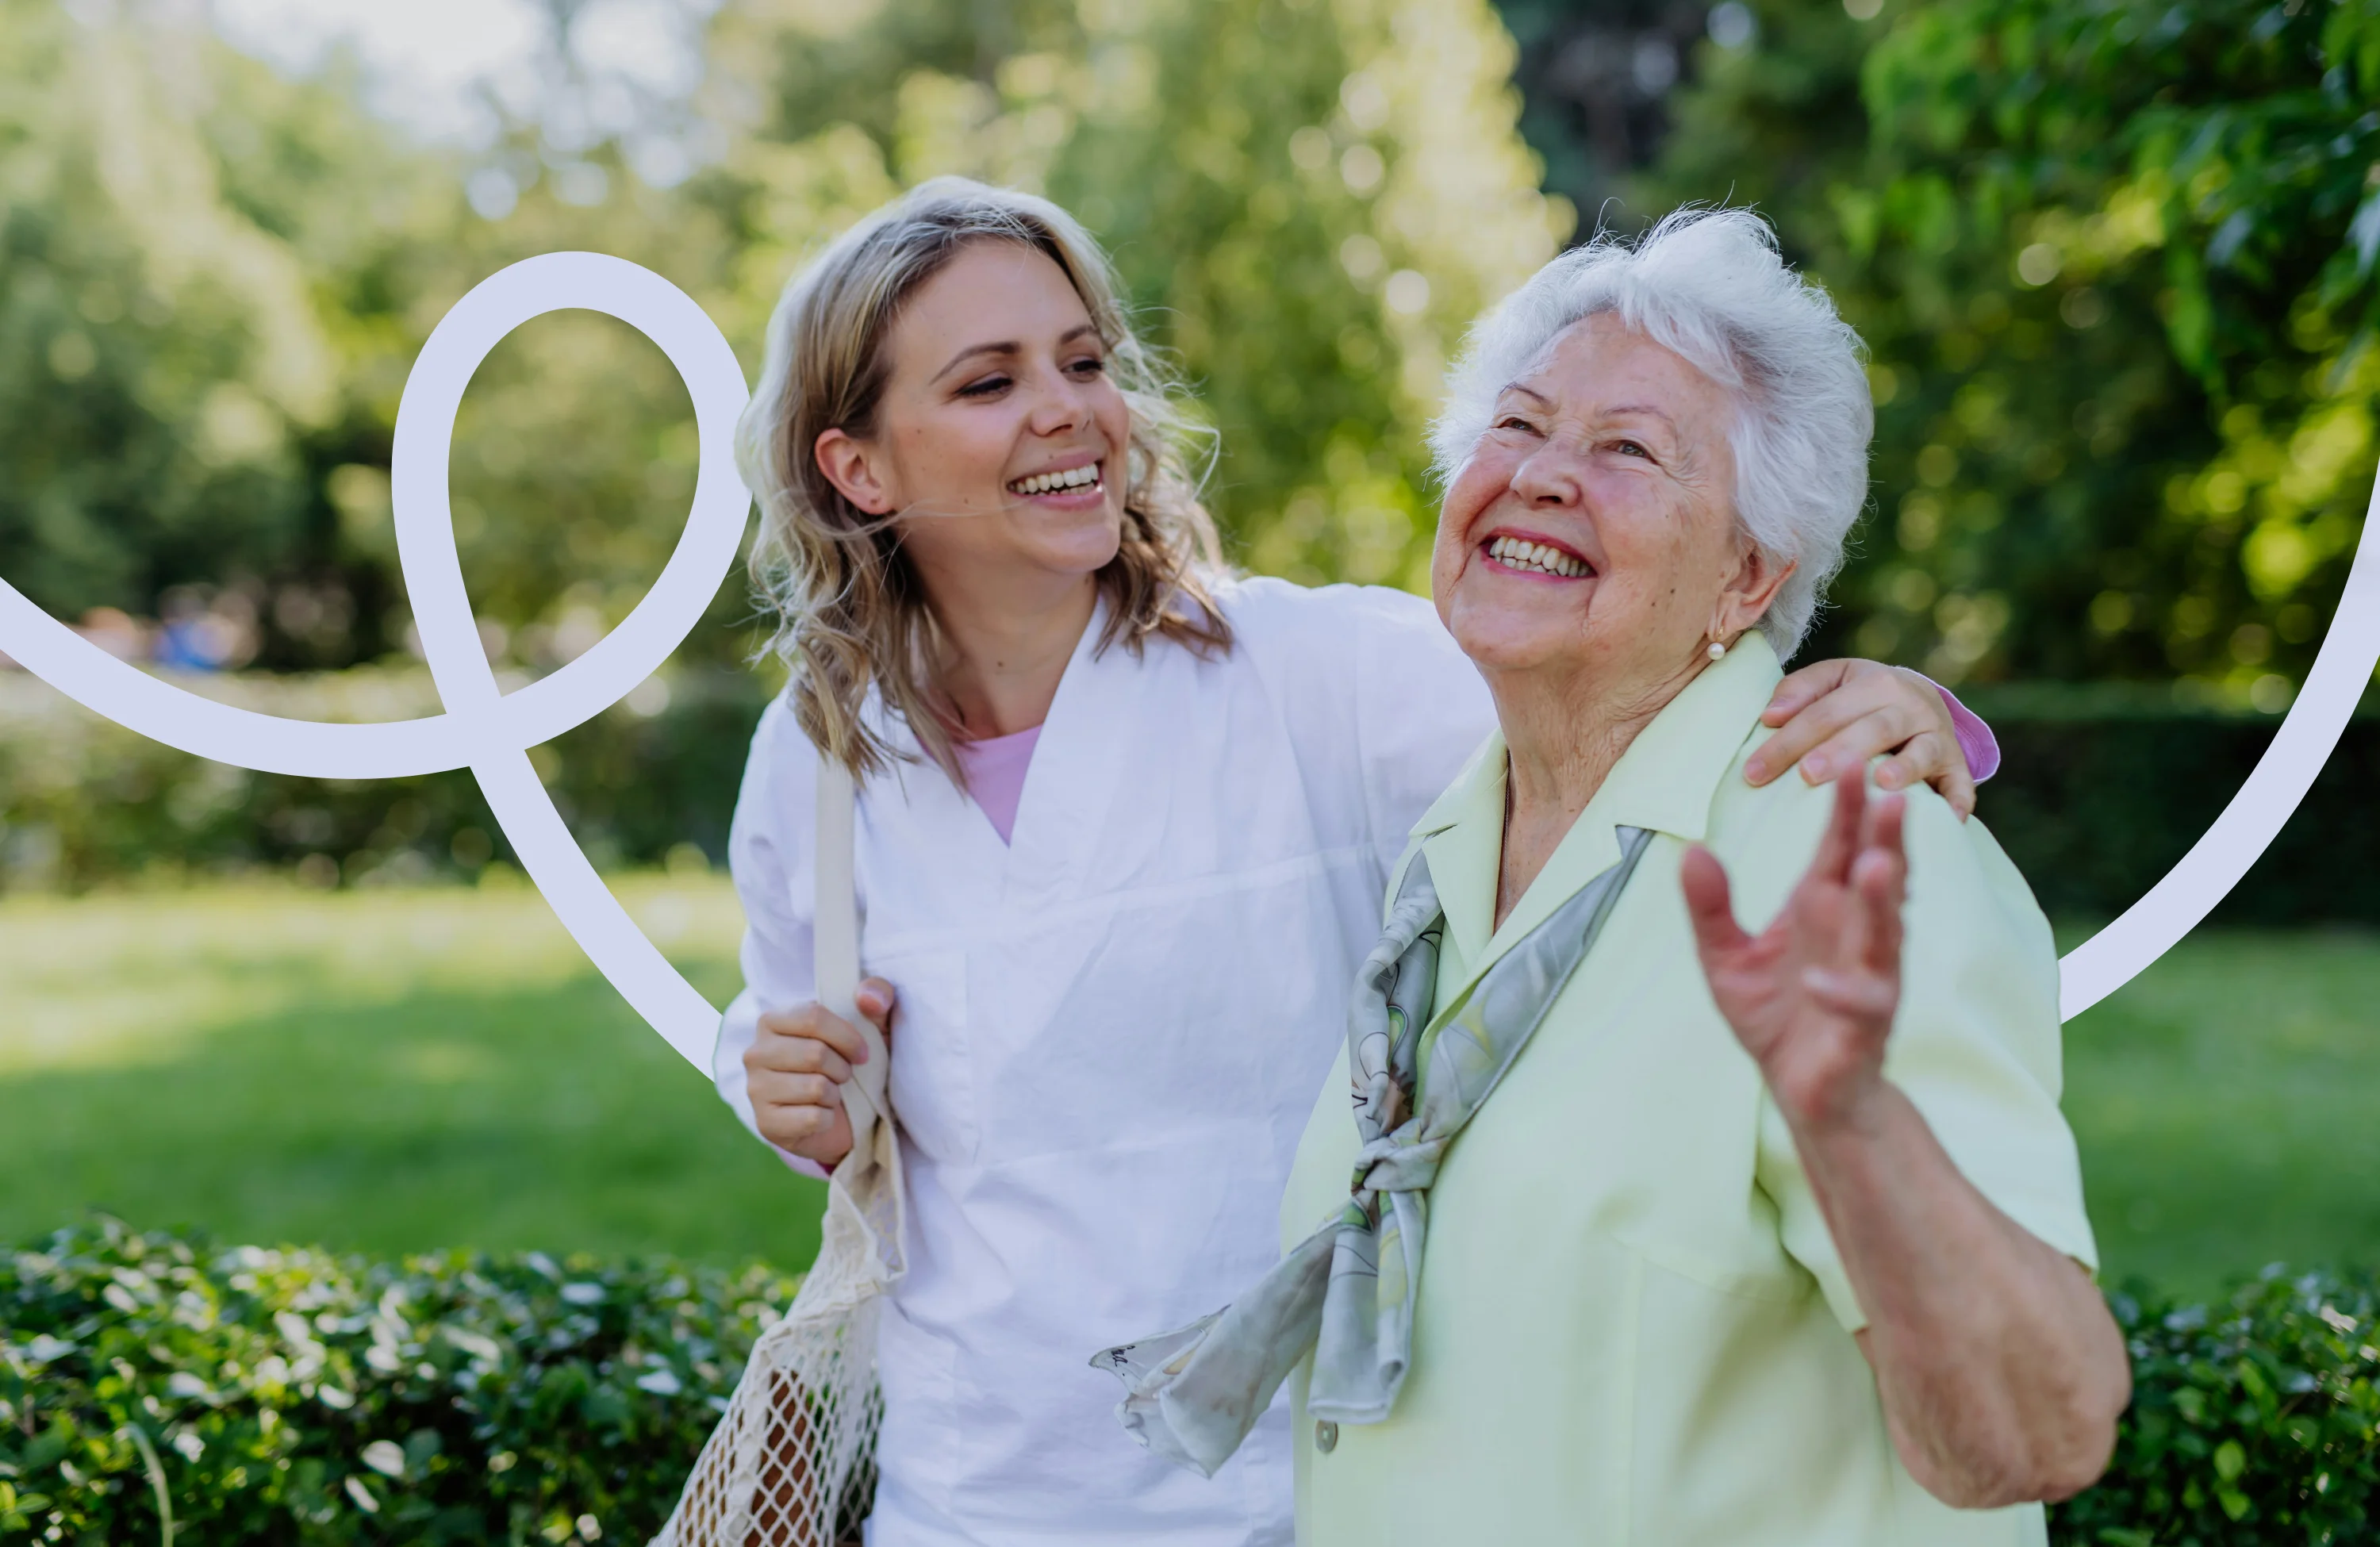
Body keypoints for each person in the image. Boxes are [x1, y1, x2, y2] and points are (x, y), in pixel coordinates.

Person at [713, 179, 2002, 1547]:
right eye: (988, 382)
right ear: (858, 467)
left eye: (1084, 360)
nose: (1067, 408)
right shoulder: (822, 759)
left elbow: (1646, 705)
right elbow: (805, 1042)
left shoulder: (1314, 674)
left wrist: (1911, 712)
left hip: (1297, 1500)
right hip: (968, 1502)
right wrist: (786, 1084)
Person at [1107, 208, 2127, 1545]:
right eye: (1518, 425)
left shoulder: (1860, 859)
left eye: (1630, 449)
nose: (1539, 473)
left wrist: (1850, 1119)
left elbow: (2032, 1437)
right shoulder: (1453, 849)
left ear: (1748, 576)